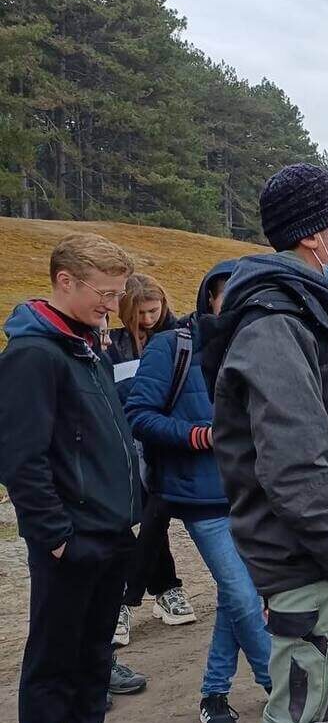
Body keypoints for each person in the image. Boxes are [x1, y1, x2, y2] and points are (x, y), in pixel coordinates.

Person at [203, 163, 328, 723]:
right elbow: (297, 469)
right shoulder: (277, 323)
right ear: (314, 234)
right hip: (320, 576)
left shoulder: (313, 314)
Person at [0, 233, 147, 723]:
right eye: (105, 294)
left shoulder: (87, 347)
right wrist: (57, 538)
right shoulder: (34, 356)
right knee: (54, 670)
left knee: (94, 664)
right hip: (72, 542)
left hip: (111, 535)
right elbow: (22, 457)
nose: (112, 306)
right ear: (65, 281)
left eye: (117, 294)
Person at [123, 261, 273, 722]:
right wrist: (196, 435)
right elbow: (139, 414)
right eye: (227, 292)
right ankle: (283, 685)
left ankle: (213, 695)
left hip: (255, 493)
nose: (235, 301)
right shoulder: (173, 346)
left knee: (235, 597)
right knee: (245, 598)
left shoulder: (263, 348)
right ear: (210, 297)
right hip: (202, 496)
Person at [112, 272, 195, 648]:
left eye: (153, 309)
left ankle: (128, 599)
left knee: (155, 517)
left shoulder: (178, 336)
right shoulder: (113, 344)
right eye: (140, 312)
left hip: (167, 443)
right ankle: (161, 589)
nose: (147, 318)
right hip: (129, 447)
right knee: (143, 520)